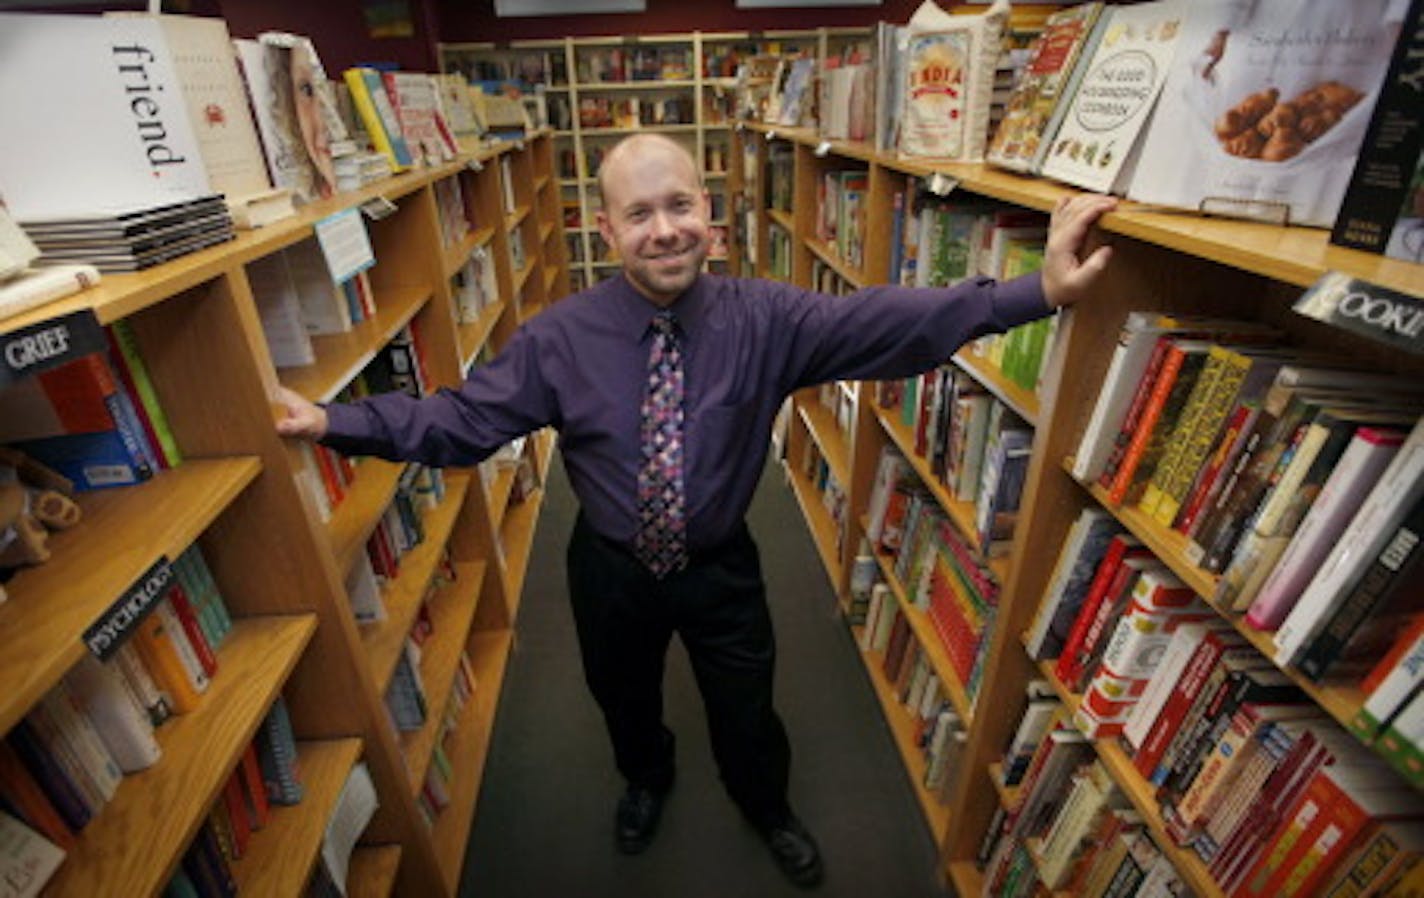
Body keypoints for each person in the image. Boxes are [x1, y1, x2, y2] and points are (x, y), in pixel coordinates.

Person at [275, 133, 1116, 888]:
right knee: (623, 696)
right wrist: (332, 421)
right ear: (606, 230)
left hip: (721, 566)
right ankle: (646, 779)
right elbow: (459, 421)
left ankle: (767, 807)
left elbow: (884, 321)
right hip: (608, 570)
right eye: (638, 214)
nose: (664, 229)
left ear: (708, 214)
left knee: (748, 707)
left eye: (679, 206)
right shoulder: (558, 338)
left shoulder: (768, 318)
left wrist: (1032, 292)